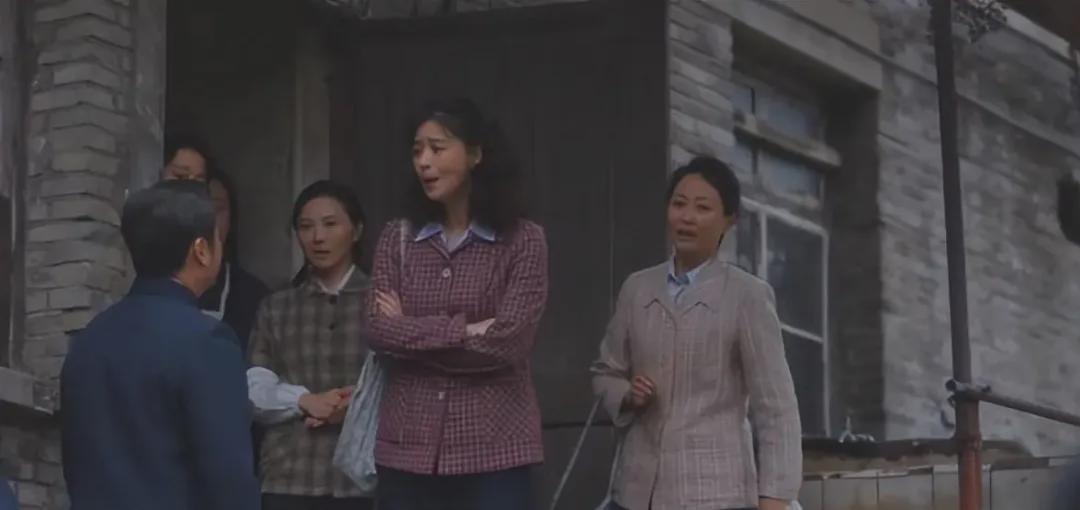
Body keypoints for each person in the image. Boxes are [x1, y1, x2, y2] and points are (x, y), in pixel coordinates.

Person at [590, 157, 802, 510]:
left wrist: (774, 499)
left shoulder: (746, 296)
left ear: (729, 220)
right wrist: (628, 396)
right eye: (679, 204)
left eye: (702, 208)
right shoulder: (637, 289)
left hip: (715, 493)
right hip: (637, 493)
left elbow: (776, 409)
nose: (687, 217)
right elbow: (606, 370)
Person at [367, 98, 548, 510]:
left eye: (437, 148)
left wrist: (409, 331)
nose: (424, 162)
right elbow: (377, 330)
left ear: (475, 154)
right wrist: (464, 331)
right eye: (417, 150)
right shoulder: (398, 237)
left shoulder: (523, 240)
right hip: (408, 452)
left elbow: (508, 342)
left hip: (495, 451)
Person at [60, 180, 259, 510]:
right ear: (201, 250)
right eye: (217, 238)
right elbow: (228, 477)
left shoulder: (89, 340)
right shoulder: (207, 340)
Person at [246, 180, 374, 510]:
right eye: (306, 227)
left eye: (330, 224)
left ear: (356, 230)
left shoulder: (383, 303)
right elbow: (254, 389)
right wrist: (304, 401)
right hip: (289, 474)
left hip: (363, 478)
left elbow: (404, 385)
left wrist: (355, 405)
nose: (318, 237)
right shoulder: (276, 307)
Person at [202, 169, 270, 349]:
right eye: (201, 209)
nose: (210, 220)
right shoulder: (163, 293)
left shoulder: (255, 296)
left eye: (218, 209)